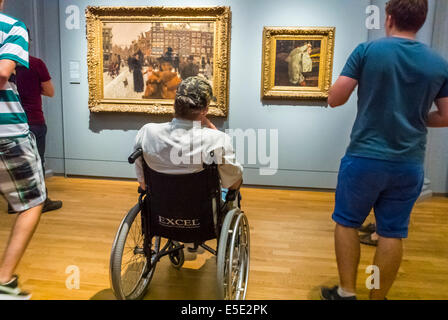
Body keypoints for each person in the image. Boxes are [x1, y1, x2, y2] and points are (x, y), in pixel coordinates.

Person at [321, 0, 448, 300]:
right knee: (392, 232)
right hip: (408, 163)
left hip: (364, 157)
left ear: (388, 18)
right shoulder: (438, 63)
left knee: (347, 223)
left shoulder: (367, 52)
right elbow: (445, 116)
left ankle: (347, 291)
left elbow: (335, 98)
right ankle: (377, 297)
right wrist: (415, 118)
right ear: (421, 20)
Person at [0, 1, 46, 299]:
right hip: (7, 132)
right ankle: (4, 282)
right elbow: (4, 72)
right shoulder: (12, 27)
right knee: (33, 200)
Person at [134, 76, 243, 196]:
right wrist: (211, 127)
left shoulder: (147, 132)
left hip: (160, 208)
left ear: (175, 104)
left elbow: (143, 184)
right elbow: (233, 184)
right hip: (201, 210)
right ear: (205, 109)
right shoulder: (217, 139)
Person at [12, 31, 63, 214]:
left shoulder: (5, 67)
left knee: (15, 162)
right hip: (34, 120)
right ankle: (42, 201)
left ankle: (15, 203)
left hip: (11, 123)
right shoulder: (35, 64)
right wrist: (34, 89)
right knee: (37, 161)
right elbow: (50, 91)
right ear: (28, 43)